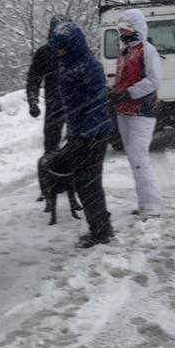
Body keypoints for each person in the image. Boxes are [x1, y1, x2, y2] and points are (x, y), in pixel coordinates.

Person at [49, 19, 116, 248]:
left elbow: (98, 103)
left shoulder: (89, 66)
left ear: (74, 45)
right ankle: (101, 225)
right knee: (82, 181)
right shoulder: (67, 63)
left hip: (93, 135)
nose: (60, 52)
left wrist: (87, 136)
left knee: (89, 182)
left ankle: (102, 231)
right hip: (79, 131)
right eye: (57, 48)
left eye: (63, 48)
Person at [108, 9, 163, 220]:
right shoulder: (123, 51)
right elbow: (122, 78)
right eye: (120, 29)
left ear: (137, 28)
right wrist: (115, 92)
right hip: (124, 110)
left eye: (127, 29)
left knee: (140, 157)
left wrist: (129, 92)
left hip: (142, 110)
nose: (123, 33)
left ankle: (152, 206)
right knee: (133, 158)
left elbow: (154, 80)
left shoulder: (147, 50)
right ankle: (144, 203)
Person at [27, 16, 67, 201]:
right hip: (55, 107)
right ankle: (47, 188)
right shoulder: (44, 53)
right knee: (50, 150)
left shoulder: (75, 50)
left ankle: (74, 183)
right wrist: (33, 101)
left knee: (78, 147)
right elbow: (34, 77)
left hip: (77, 107)